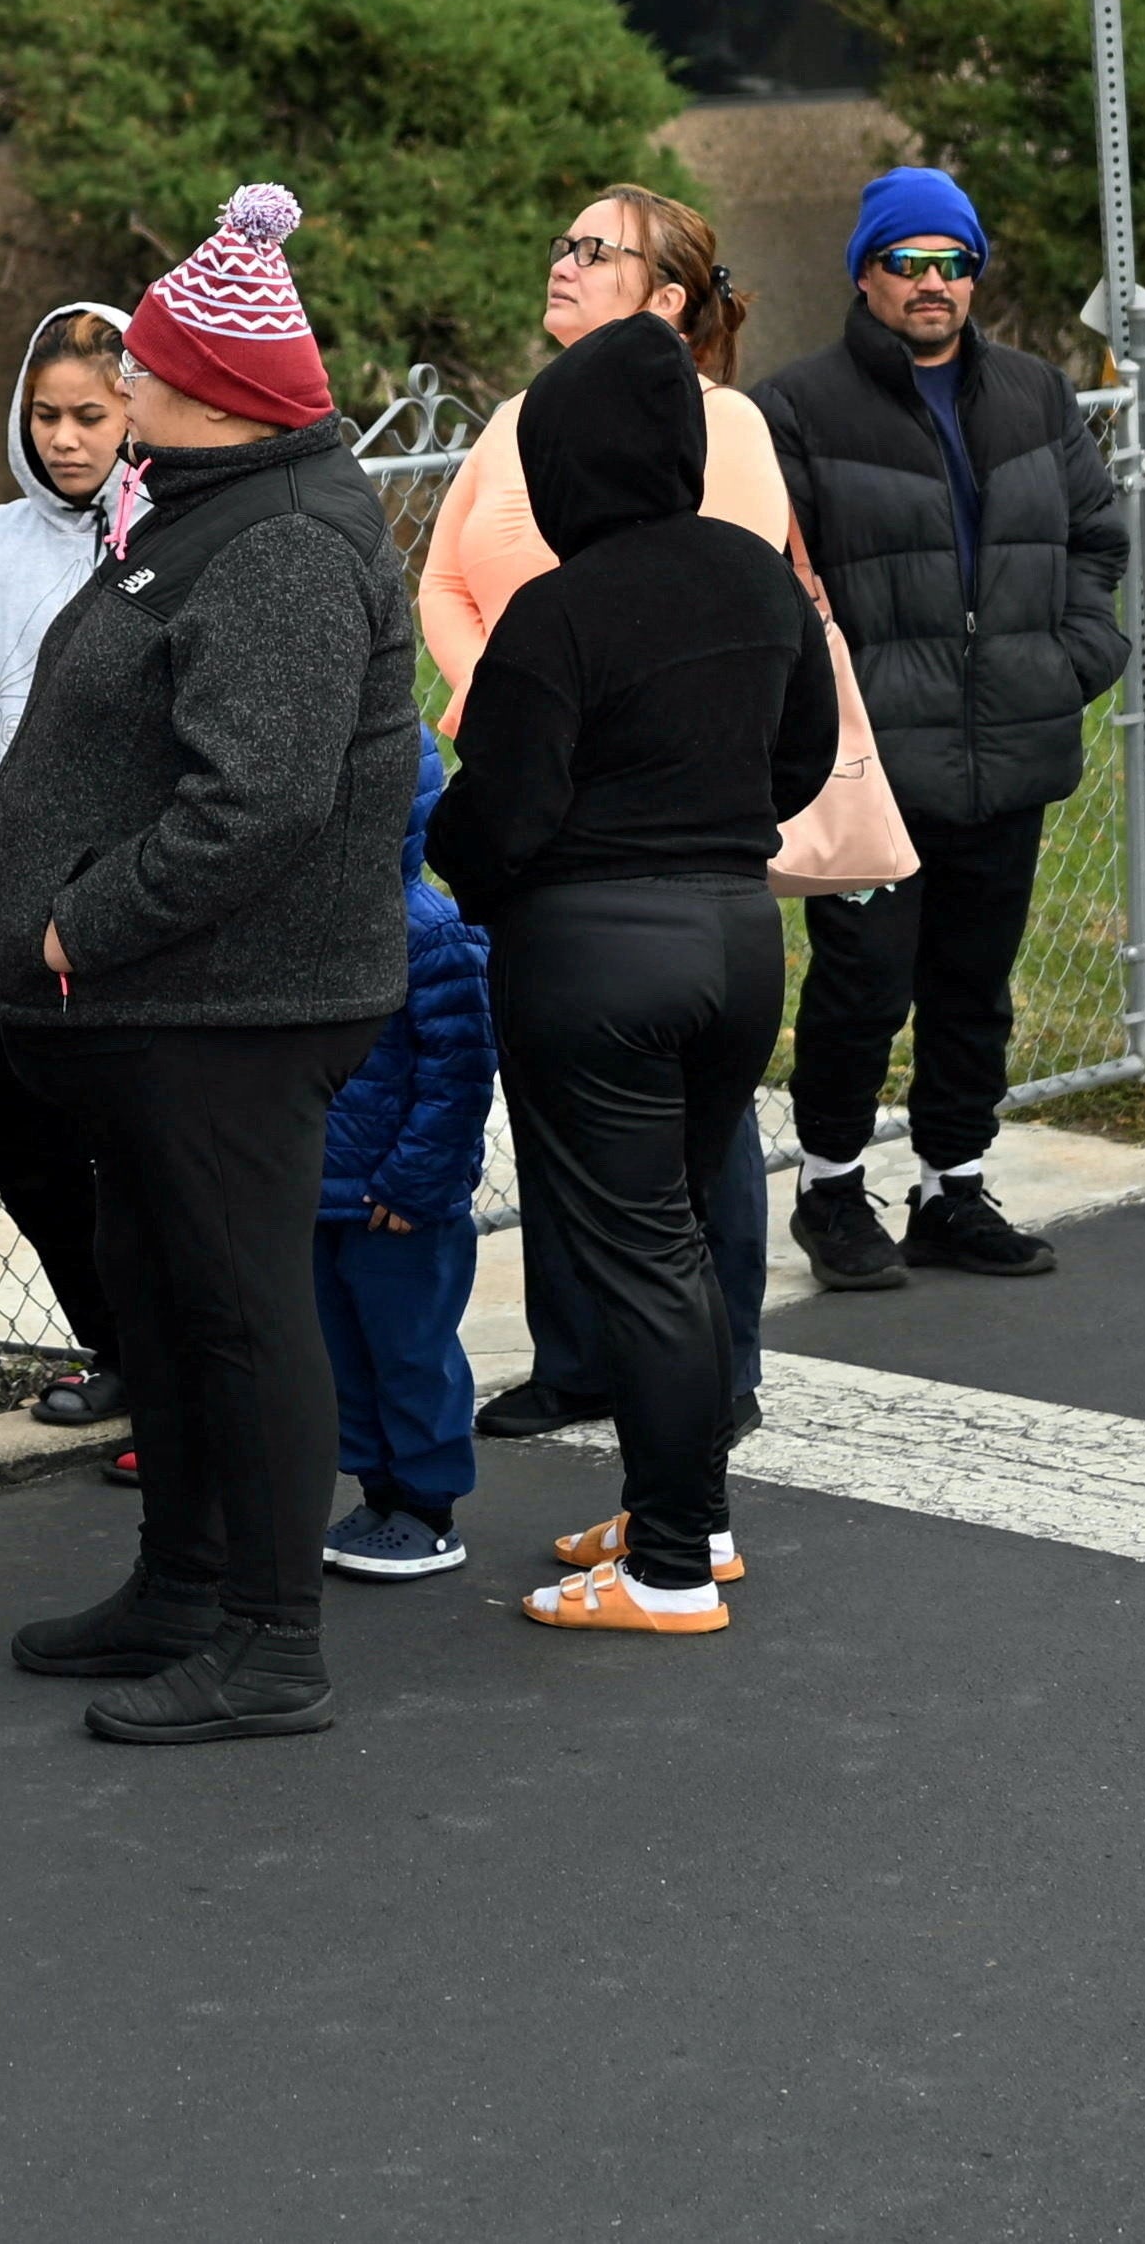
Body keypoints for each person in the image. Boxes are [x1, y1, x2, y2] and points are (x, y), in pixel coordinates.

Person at [0, 184, 418, 1743]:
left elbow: (261, 798)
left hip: (237, 1004)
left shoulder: (282, 542)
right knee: (162, 1292)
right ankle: (183, 1582)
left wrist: (89, 917)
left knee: (239, 1309)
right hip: (174, 1007)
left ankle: (273, 1645)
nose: (122, 389)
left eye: (144, 369)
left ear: (210, 391)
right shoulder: (211, 510)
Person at [424, 312, 837, 1632]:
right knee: (687, 1240)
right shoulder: (757, 577)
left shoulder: (556, 611)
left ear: (565, 466)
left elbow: (498, 814)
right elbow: (805, 756)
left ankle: (662, 1570)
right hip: (737, 935)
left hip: (593, 952)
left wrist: (479, 871)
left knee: (639, 1251)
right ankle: (688, 1515)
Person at [416, 182, 791, 1430]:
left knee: (686, 1150)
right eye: (561, 237)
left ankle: (709, 1378)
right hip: (533, 812)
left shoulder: (723, 426)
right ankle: (578, 1362)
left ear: (667, 296)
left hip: (642, 836)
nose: (561, 259)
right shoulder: (515, 420)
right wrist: (504, 703)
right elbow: (441, 584)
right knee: (563, 1123)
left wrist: (552, 724)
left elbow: (710, 642)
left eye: (593, 247)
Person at [759, 167, 1127, 1284]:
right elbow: (779, 583)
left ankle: (950, 1187)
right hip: (875, 765)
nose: (931, 284)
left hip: (1008, 748)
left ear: (975, 274)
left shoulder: (1035, 394)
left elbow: (1095, 543)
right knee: (862, 983)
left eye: (951, 262)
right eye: (906, 261)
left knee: (975, 981)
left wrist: (1065, 664)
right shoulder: (797, 408)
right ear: (864, 274)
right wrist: (837, 713)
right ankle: (828, 1191)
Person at [0, 301, 134, 1432]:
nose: (64, 437)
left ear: (132, 411)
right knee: (17, 1131)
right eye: (44, 415)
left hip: (125, 911)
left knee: (132, 1146)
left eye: (89, 415)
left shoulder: (162, 537)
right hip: (15, 911)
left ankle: (169, 1356)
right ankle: (114, 1340)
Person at [312, 739, 490, 1583]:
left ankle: (428, 1506)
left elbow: (458, 1072)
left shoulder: (428, 931)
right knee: (342, 1350)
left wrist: (417, 1181)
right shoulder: (303, 930)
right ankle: (378, 1490)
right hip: (321, 1195)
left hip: (399, 1203)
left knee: (411, 1350)